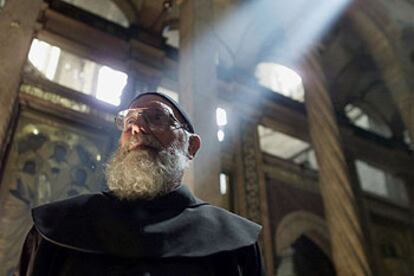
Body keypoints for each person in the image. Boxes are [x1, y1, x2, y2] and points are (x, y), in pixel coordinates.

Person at [17, 92, 265, 276]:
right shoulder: (58, 227)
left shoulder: (234, 242)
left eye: (156, 117)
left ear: (191, 146)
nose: (136, 126)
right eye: (128, 122)